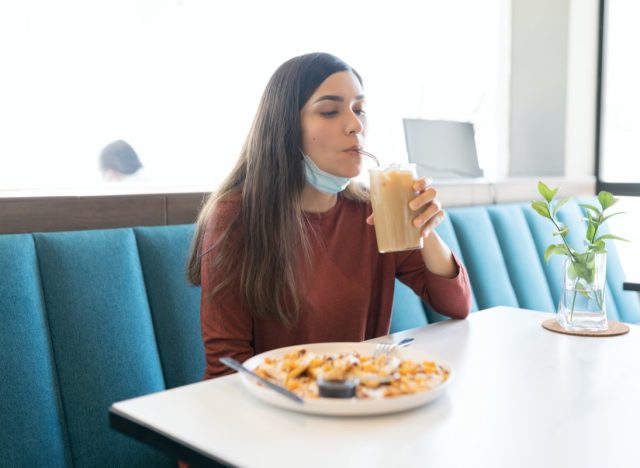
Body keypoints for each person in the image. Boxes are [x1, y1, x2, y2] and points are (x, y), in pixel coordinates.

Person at [187, 52, 471, 380]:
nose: (355, 125)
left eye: (360, 110)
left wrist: (425, 229)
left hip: (362, 403)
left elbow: (457, 305)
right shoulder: (236, 217)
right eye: (330, 111)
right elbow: (227, 366)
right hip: (277, 411)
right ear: (286, 127)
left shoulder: (375, 209)